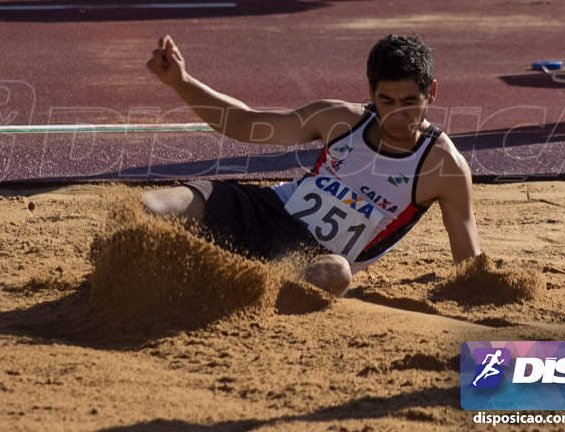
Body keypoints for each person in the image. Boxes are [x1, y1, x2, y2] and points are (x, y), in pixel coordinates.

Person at [142, 34, 481, 297]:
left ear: (431, 92)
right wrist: (180, 81)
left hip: (310, 261)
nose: (397, 114)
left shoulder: (443, 166)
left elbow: (468, 263)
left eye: (409, 102)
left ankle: (228, 287)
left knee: (336, 274)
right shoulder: (340, 119)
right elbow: (244, 124)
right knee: (148, 208)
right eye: (386, 101)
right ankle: (135, 268)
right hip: (265, 212)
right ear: (371, 92)